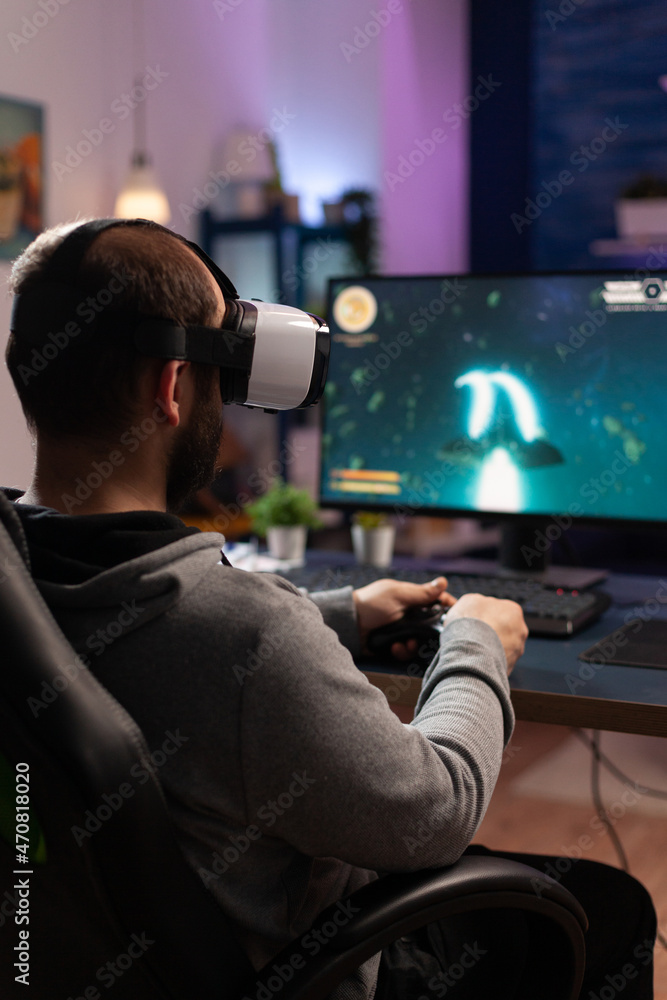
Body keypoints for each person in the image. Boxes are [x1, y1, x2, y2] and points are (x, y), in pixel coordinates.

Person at [4, 219, 656, 999]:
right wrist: (477, 641)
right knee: (609, 906)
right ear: (171, 387)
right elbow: (436, 809)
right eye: (223, 370)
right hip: (320, 969)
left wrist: (335, 612)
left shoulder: (19, 581)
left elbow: (159, 637)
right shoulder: (244, 631)